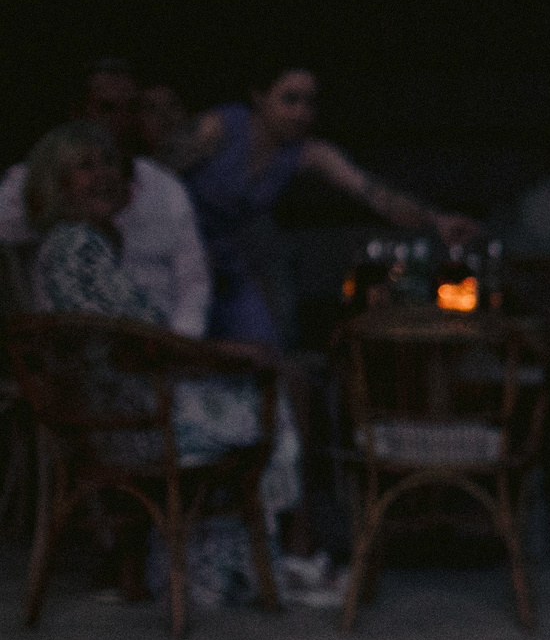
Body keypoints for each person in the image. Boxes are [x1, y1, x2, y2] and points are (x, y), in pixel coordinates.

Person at [22, 123, 337, 608]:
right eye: (85, 167)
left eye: (108, 164)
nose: (104, 175)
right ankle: (286, 555)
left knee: (271, 374)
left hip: (108, 419)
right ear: (55, 183)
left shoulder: (70, 246)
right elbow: (145, 340)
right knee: (284, 383)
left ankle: (252, 557)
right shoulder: (78, 247)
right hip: (134, 425)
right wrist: (229, 353)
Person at [175, 64, 480, 347]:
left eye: (309, 103)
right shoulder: (219, 128)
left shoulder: (303, 152)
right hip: (175, 247)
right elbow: (156, 175)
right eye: (290, 100)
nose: (300, 113)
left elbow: (373, 193)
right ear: (260, 97)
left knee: (262, 342)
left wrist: (436, 219)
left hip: (223, 259)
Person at [2, 59, 211, 338]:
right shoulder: (76, 242)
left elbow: (193, 281)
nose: (122, 121)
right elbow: (138, 329)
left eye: (132, 108)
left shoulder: (165, 187)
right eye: (107, 108)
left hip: (163, 349)